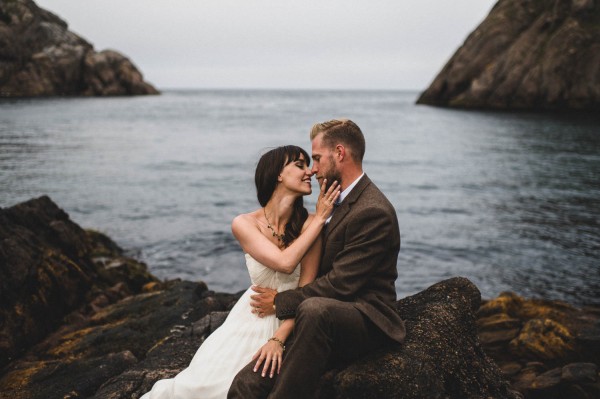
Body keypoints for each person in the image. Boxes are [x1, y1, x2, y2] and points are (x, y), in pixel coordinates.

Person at [141, 145, 340, 399]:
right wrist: (322, 218)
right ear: (278, 174)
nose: (310, 172)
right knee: (199, 388)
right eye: (299, 165)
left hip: (291, 319)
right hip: (251, 316)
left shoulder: (311, 224)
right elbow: (285, 263)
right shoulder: (244, 224)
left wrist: (278, 339)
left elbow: (306, 288)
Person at [228, 119, 406, 399]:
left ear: (340, 153)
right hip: (314, 317)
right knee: (245, 385)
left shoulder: (373, 211)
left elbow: (340, 285)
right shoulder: (330, 200)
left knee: (314, 310)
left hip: (365, 317)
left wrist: (279, 302)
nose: (312, 169)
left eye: (317, 159)